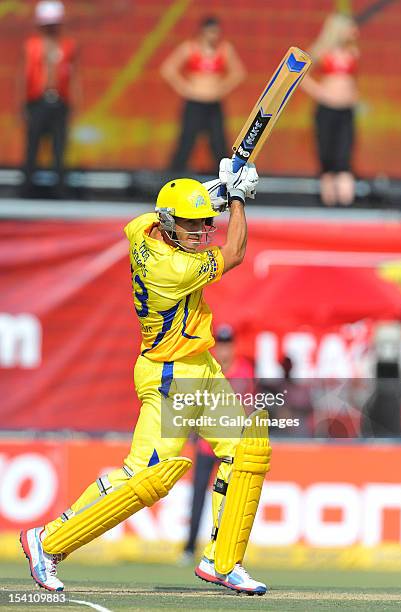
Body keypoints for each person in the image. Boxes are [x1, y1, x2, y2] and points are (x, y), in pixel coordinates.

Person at [20, 159, 272, 596]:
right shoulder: (170, 270)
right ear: (169, 225)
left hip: (200, 366)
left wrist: (209, 191)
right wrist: (235, 198)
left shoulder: (143, 228)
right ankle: (49, 540)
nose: (200, 233)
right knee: (147, 477)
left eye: (203, 223)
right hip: (171, 375)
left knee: (248, 447)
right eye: (191, 226)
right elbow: (235, 253)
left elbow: (157, 216)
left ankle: (223, 561)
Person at [181, 324, 254, 563]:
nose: (224, 350)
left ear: (233, 346)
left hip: (231, 447)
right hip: (206, 444)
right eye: (220, 345)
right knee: (199, 497)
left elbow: (249, 405)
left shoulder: (243, 370)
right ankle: (190, 547)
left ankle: (224, 547)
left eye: (227, 344)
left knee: (229, 499)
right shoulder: (209, 368)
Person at [160, 16, 245, 172]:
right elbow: (168, 69)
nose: (214, 36)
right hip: (194, 102)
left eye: (216, 32)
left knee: (218, 141)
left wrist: (223, 87)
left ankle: (225, 177)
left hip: (214, 103)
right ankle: (174, 174)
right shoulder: (189, 48)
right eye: (211, 32)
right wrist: (184, 87)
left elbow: (238, 73)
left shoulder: (225, 49)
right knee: (187, 140)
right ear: (202, 32)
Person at [18, 1, 80, 198]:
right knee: (32, 146)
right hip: (37, 101)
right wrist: (22, 104)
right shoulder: (31, 45)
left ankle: (60, 190)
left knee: (59, 148)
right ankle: (26, 188)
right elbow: (23, 76)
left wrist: (75, 103)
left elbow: (75, 76)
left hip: (60, 101)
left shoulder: (68, 46)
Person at [301, 13, 359, 206]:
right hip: (327, 109)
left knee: (344, 155)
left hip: (346, 110)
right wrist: (320, 92)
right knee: (327, 156)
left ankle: (346, 204)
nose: (355, 32)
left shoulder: (353, 51)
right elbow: (301, 74)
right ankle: (329, 202)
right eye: (351, 28)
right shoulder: (323, 51)